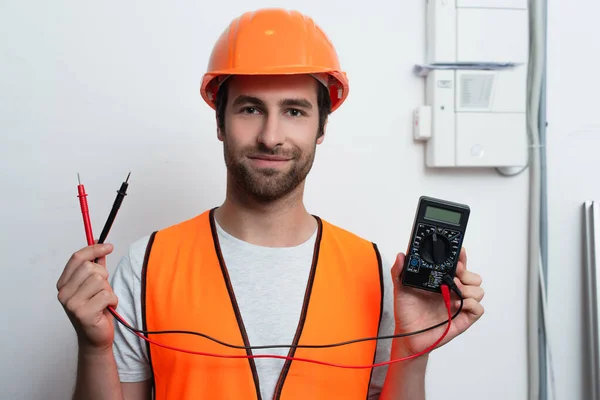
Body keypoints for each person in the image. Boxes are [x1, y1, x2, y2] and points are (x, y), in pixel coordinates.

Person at [56, 8, 485, 400]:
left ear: (322, 127)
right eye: (250, 109)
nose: (271, 136)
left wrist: (413, 350)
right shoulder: (148, 264)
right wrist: (94, 348)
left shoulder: (372, 270)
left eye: (295, 111)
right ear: (220, 121)